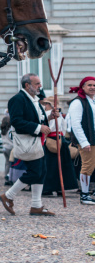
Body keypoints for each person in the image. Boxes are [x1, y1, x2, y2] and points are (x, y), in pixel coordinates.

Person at [0, 73, 56, 216]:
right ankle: (8, 195)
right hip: (27, 142)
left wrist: (49, 117)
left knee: (41, 171)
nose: (40, 86)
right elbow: (17, 122)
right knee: (35, 172)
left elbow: (37, 119)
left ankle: (36, 205)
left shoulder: (34, 100)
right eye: (37, 83)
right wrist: (39, 128)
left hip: (36, 141)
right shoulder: (17, 99)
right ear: (27, 85)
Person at [40, 96, 78, 196]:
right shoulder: (51, 115)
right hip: (54, 140)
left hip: (56, 140)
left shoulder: (54, 115)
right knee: (54, 165)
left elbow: (60, 127)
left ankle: (56, 187)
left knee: (56, 165)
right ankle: (55, 187)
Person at [67, 76, 95, 205]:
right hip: (87, 139)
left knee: (92, 166)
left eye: (94, 85)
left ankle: (91, 192)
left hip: (93, 138)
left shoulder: (92, 101)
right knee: (87, 166)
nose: (92, 87)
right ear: (83, 87)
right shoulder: (78, 102)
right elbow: (76, 124)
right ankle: (84, 194)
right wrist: (84, 142)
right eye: (89, 85)